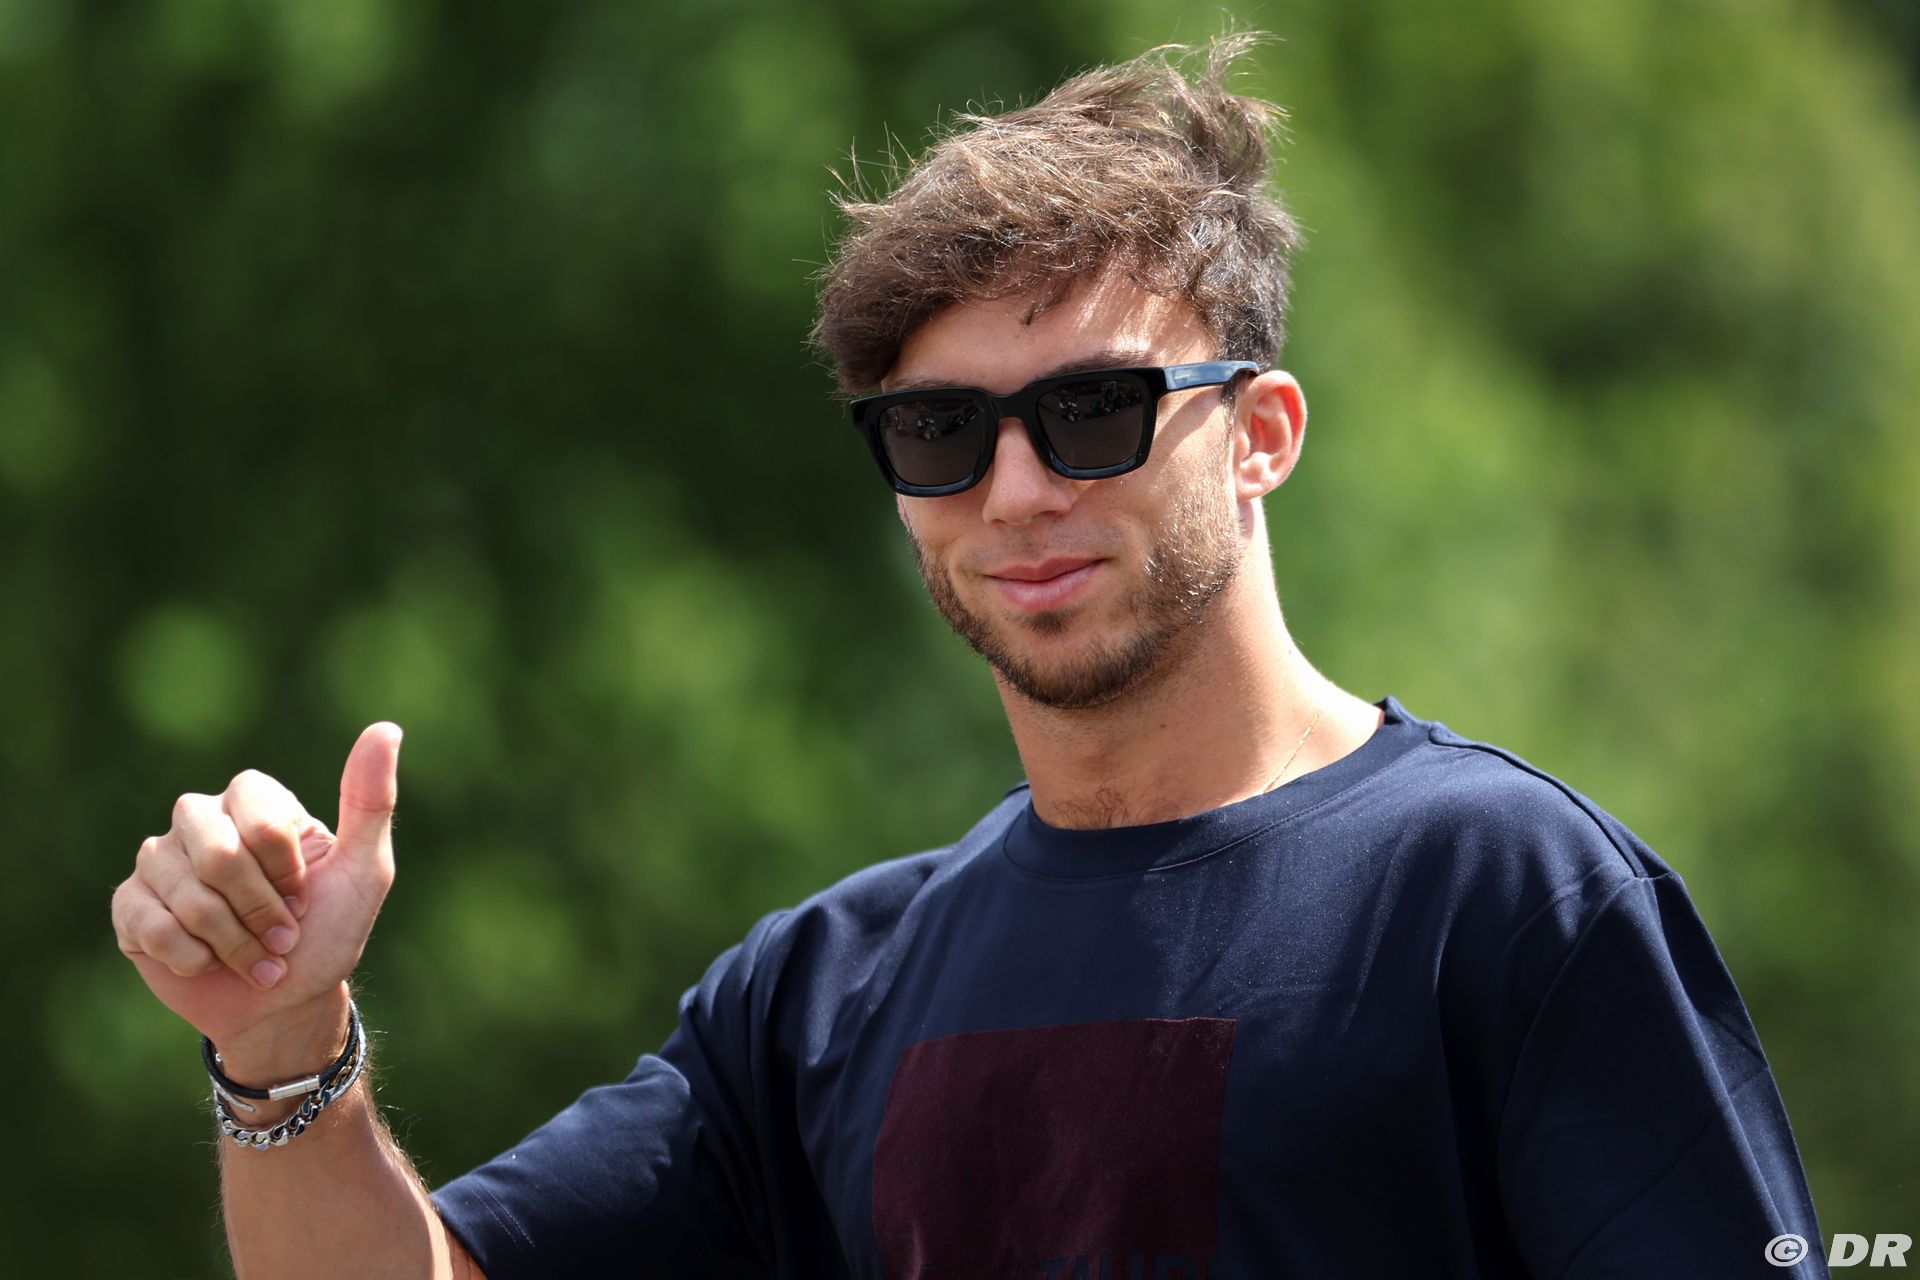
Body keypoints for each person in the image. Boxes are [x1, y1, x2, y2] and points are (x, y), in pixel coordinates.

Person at [111, 34, 1828, 1280]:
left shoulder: (1503, 896)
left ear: (1263, 434)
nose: (1015, 492)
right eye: (940, 432)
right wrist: (284, 1044)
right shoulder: (822, 994)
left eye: (1093, 411)